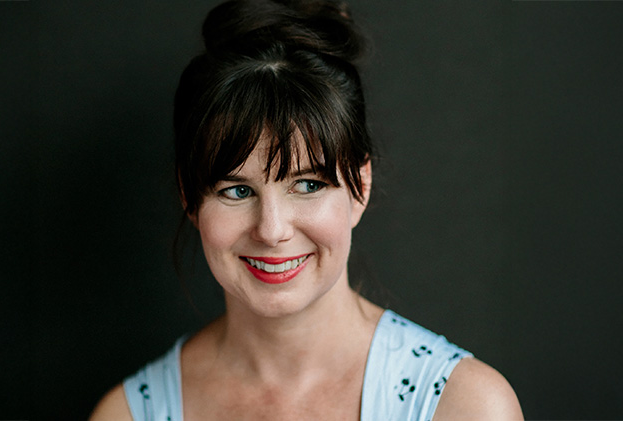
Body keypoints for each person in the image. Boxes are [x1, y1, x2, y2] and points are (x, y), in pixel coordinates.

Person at [90, 0, 523, 419]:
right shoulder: (128, 415)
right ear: (190, 197)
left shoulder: (464, 407)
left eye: (308, 185)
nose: (271, 230)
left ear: (360, 187)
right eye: (237, 191)